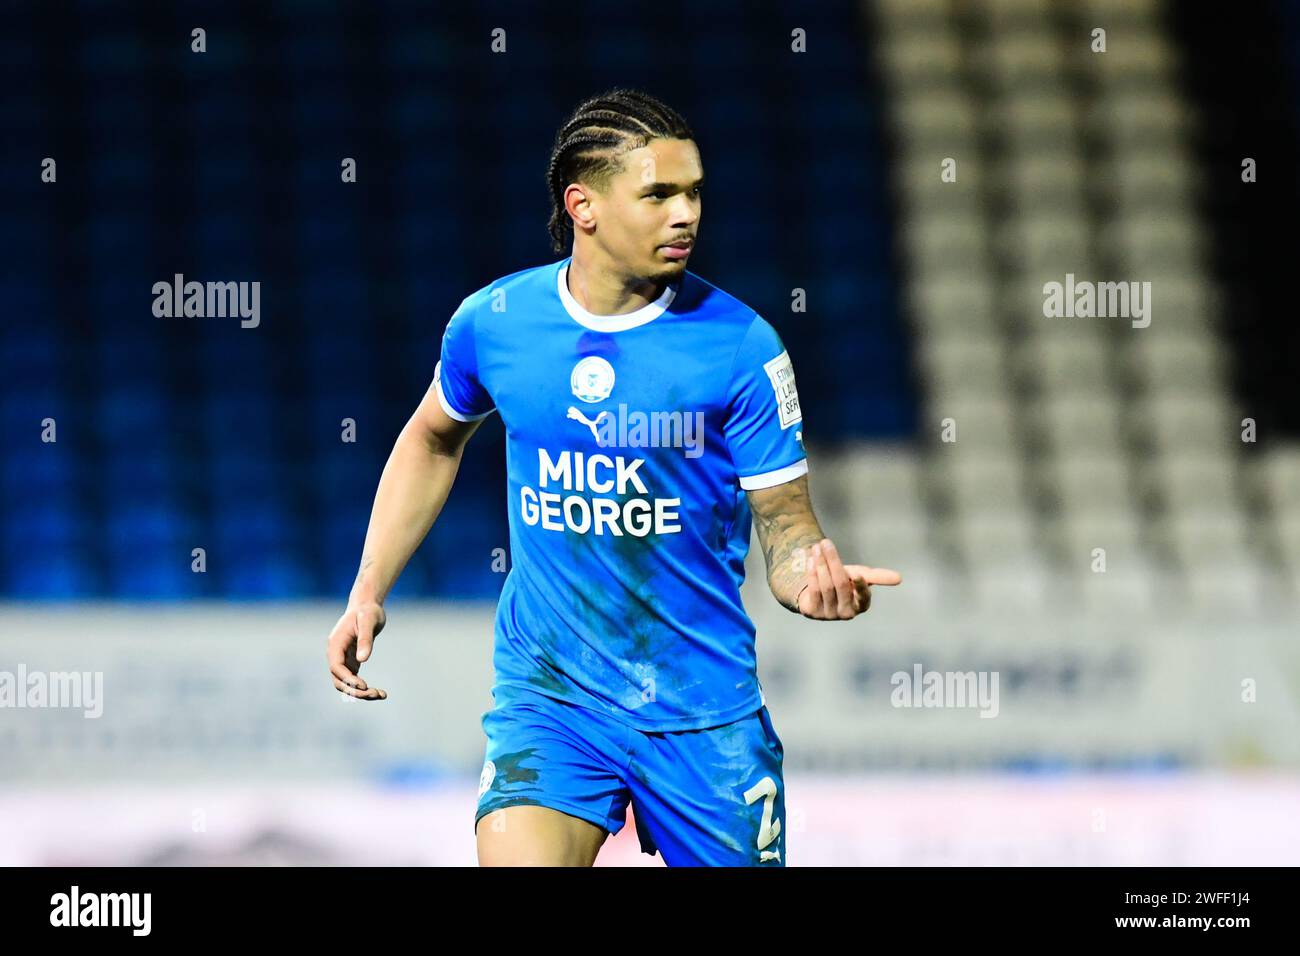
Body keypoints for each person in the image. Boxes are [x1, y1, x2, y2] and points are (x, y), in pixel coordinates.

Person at [326, 88, 901, 866]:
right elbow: (432, 439)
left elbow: (789, 527)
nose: (686, 213)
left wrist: (809, 582)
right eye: (659, 193)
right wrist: (367, 590)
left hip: (702, 715)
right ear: (583, 207)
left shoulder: (741, 347)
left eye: (694, 191)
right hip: (551, 699)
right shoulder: (494, 325)